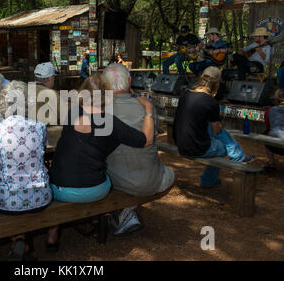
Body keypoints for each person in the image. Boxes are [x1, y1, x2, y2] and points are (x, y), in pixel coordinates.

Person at [46, 73, 154, 249]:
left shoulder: (72, 112)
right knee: (110, 174)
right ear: (107, 96)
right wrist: (148, 110)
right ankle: (103, 217)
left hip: (59, 189)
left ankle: (53, 232)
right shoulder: (111, 122)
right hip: (94, 190)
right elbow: (146, 139)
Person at [103, 64, 175, 235]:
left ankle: (124, 210)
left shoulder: (100, 110)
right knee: (172, 174)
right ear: (129, 81)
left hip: (114, 180)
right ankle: (127, 210)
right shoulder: (146, 107)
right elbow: (152, 135)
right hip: (149, 180)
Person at [0, 80, 52, 260]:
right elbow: (42, 151)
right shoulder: (40, 127)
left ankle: (18, 239)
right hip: (40, 196)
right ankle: (25, 244)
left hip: (6, 201)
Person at [173, 67, 255, 188]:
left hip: (180, 144)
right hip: (196, 148)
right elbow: (217, 130)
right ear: (217, 83)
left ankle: (239, 156)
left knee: (212, 130)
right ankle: (209, 180)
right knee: (222, 146)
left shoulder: (186, 94)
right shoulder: (210, 102)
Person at [263, 89, 284, 171]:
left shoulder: (269, 111)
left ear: (275, 99)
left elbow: (268, 127)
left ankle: (271, 163)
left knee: (266, 133)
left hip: (273, 145)